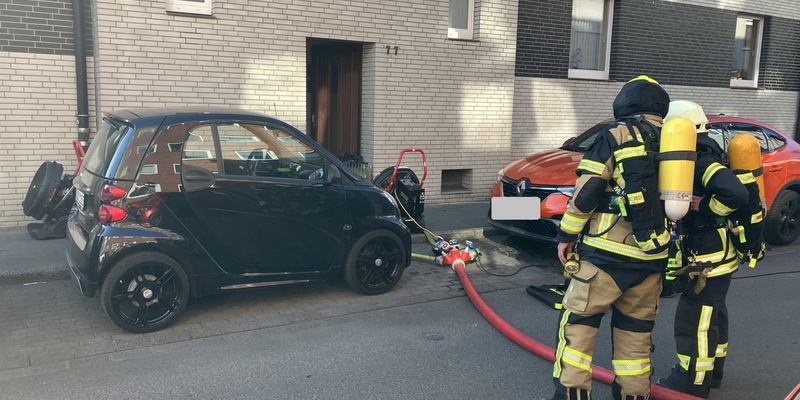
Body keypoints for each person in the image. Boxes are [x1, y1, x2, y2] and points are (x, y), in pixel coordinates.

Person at [552, 75, 672, 400]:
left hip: (604, 257)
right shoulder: (675, 141)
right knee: (635, 339)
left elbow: (588, 189)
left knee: (578, 329)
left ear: (625, 103)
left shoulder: (616, 134)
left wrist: (566, 235)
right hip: (652, 260)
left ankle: (572, 395)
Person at [656, 100, 760, 398]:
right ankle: (714, 373)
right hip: (720, 255)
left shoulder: (699, 159)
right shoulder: (709, 151)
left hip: (705, 258)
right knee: (714, 315)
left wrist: (707, 208)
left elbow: (736, 193)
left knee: (695, 322)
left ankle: (691, 383)